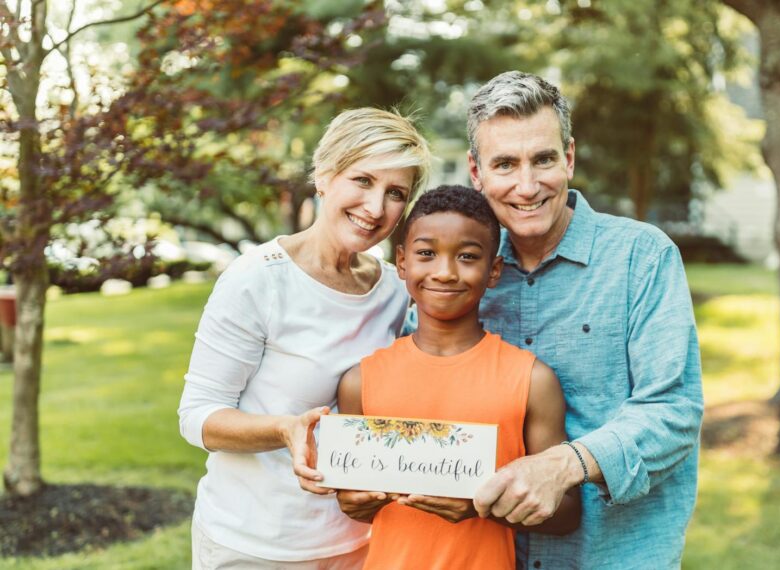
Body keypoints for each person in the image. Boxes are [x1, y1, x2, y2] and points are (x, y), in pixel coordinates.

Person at [467, 71, 704, 569]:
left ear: (569, 158)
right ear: (476, 172)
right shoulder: (462, 273)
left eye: (544, 159)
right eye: (505, 164)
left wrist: (564, 465)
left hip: (613, 556)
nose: (527, 185)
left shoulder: (643, 256)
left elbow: (673, 412)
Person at [177, 107, 431, 568]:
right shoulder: (257, 280)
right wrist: (284, 429)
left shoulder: (395, 290)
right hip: (254, 544)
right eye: (363, 180)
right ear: (324, 176)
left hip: (360, 543)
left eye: (396, 193)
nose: (375, 208)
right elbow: (197, 416)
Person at [334, 186, 581, 569]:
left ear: (493, 270)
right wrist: (352, 501)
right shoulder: (360, 382)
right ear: (402, 262)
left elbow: (567, 512)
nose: (445, 272)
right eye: (426, 254)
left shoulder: (531, 380)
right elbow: (357, 503)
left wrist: (482, 507)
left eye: (467, 257)